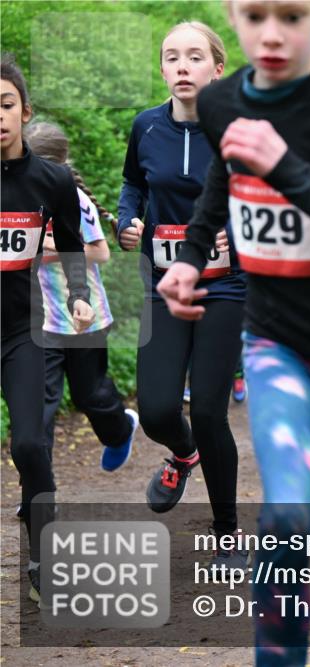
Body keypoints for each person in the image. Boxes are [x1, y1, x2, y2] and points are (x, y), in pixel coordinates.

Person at [155, 2, 310, 664]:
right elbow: (225, 177)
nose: (271, 34)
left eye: (291, 15)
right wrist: (191, 257)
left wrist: (287, 166)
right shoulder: (221, 100)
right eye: (254, 14)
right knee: (287, 517)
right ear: (232, 13)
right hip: (275, 343)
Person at [117, 21, 248, 567]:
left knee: (213, 410)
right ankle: (182, 454)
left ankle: (226, 530)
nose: (182, 67)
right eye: (172, 58)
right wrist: (128, 221)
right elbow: (133, 185)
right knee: (157, 409)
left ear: (217, 69)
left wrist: (234, 229)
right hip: (164, 285)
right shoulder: (146, 127)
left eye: (195, 57)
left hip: (225, 287)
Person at [2, 53, 95, 603]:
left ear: (24, 111)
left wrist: (80, 297)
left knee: (31, 444)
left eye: (5, 104)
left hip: (20, 330)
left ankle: (43, 552)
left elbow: (75, 244)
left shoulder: (52, 179)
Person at [25, 122, 139, 474]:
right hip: (36, 319)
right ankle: (37, 489)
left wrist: (47, 250)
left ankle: (121, 430)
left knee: (91, 396)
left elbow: (100, 252)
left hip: (83, 316)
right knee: (39, 406)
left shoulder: (74, 199)